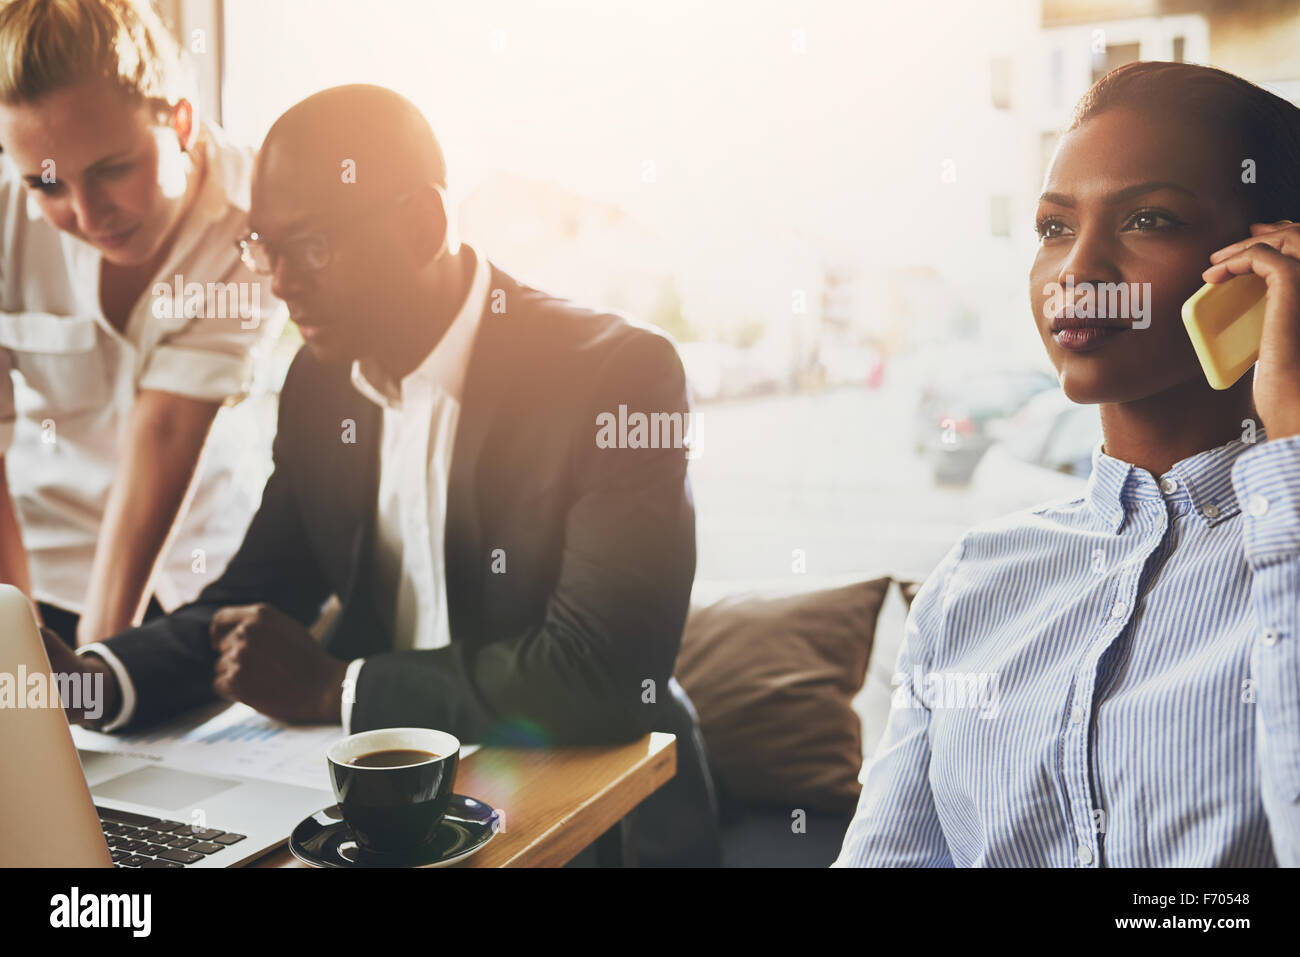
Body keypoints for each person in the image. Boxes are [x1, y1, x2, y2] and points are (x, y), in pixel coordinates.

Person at [43, 83, 721, 867]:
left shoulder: (616, 377)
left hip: (598, 807)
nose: (281, 283)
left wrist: (339, 689)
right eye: (265, 246)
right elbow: (254, 597)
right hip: (382, 815)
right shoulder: (318, 383)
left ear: (423, 225)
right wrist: (93, 679)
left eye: (313, 246)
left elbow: (602, 670)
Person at [834, 61, 1300, 867]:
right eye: (1054, 228)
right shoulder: (971, 584)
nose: (1076, 273)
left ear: (1273, 263)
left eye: (1148, 219)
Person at [0, 0, 280, 647]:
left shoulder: (253, 217)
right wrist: (23, 664)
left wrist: (97, 669)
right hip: (39, 564)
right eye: (47, 186)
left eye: (112, 170)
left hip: (197, 570)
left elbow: (168, 428)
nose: (88, 213)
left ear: (179, 122)